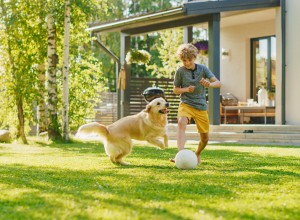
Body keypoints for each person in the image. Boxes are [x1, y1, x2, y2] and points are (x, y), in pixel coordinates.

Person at [171, 43, 221, 164]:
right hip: (186, 104)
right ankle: (180, 155)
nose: (186, 63)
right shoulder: (180, 71)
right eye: (184, 60)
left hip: (201, 106)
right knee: (181, 122)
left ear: (194, 58)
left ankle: (197, 153)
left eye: (189, 60)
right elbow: (175, 89)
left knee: (205, 138)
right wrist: (186, 90)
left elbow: (218, 83)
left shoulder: (203, 69)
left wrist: (209, 84)